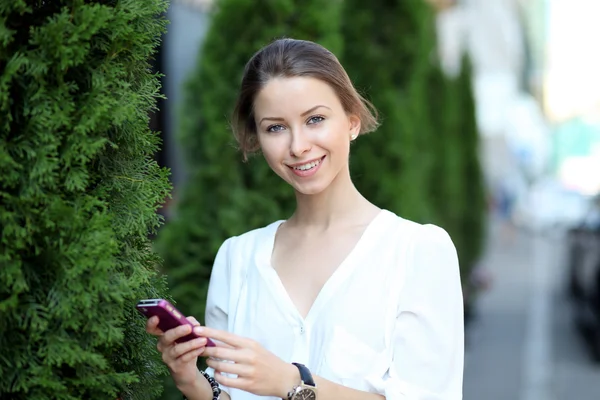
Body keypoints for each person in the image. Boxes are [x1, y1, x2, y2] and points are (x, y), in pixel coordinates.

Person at [146, 38, 464, 400]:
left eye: (315, 119)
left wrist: (292, 382)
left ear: (352, 122)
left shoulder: (416, 251)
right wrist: (191, 379)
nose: (297, 146)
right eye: (275, 127)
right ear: (257, 139)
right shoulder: (237, 258)